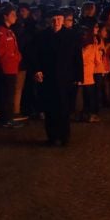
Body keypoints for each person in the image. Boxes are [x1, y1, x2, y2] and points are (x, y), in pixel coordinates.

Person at [34, 11, 83, 146]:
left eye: (59, 19)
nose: (56, 22)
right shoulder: (42, 36)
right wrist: (37, 70)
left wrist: (79, 76)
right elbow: (36, 55)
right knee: (50, 109)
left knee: (64, 109)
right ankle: (52, 136)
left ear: (63, 20)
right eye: (54, 19)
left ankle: (64, 136)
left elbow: (77, 57)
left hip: (66, 78)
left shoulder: (71, 36)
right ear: (50, 20)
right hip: (48, 78)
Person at [0, 3, 23, 128]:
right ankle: (6, 119)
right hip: (6, 67)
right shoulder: (1, 31)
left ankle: (7, 118)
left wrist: (17, 57)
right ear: (5, 16)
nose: (15, 17)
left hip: (11, 67)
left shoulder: (9, 31)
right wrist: (13, 57)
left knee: (9, 93)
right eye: (12, 14)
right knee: (7, 94)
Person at [79, 24, 101, 122]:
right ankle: (90, 116)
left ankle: (80, 115)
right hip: (89, 77)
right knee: (89, 98)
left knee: (80, 99)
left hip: (78, 76)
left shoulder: (77, 47)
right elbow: (98, 61)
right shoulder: (93, 47)